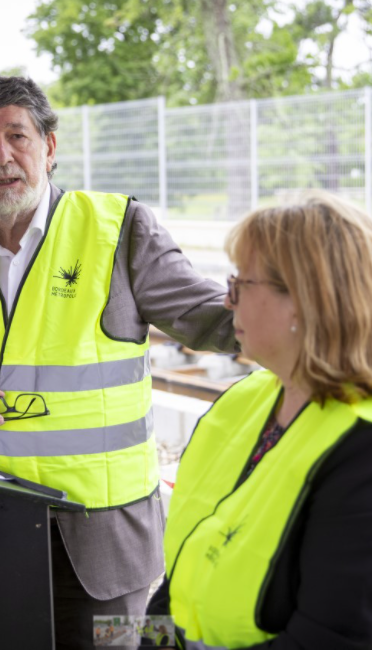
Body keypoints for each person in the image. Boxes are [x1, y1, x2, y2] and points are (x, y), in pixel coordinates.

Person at [0, 75, 237, 649]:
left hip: (109, 549)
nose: (2, 156)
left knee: (125, 646)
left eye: (18, 135)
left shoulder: (120, 228)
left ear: (50, 147)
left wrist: (314, 316)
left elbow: (213, 317)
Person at [148, 191, 372, 649]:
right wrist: (145, 641)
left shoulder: (360, 449)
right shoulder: (246, 398)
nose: (227, 303)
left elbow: (332, 637)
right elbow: (183, 569)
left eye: (240, 286)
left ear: (305, 300)